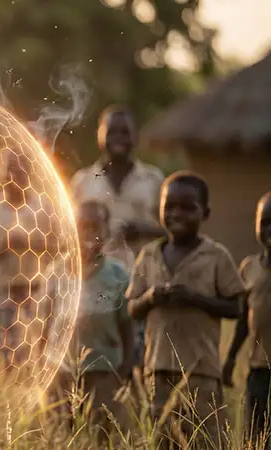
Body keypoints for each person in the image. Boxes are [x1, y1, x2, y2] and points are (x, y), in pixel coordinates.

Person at [126, 171, 244, 448]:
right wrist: (152, 298)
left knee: (204, 440)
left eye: (188, 207)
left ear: (206, 213)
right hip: (157, 370)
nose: (177, 214)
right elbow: (132, 307)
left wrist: (195, 298)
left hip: (201, 370)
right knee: (162, 440)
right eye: (170, 207)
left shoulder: (216, 255)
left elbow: (235, 308)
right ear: (160, 211)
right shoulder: (149, 255)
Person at [69, 105, 166, 368]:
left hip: (143, 279)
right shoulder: (83, 181)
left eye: (126, 131)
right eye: (112, 131)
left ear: (135, 136)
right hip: (98, 284)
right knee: (101, 358)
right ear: (99, 134)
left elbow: (171, 229)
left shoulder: (153, 179)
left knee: (143, 354)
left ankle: (140, 407)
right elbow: (68, 233)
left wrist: (144, 230)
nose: (119, 138)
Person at [47, 201, 133, 438]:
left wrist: (126, 368)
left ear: (106, 232)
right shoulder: (57, 272)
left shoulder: (118, 274)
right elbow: (46, 320)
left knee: (102, 433)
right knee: (62, 431)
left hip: (105, 370)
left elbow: (127, 323)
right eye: (81, 226)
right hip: (62, 370)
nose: (87, 234)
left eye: (95, 227)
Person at [0, 150, 47, 373]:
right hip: (3, 290)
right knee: (1, 350)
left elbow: (58, 248)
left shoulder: (42, 208)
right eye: (10, 168)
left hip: (35, 290)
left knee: (34, 348)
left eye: (21, 168)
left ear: (30, 172)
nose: (15, 174)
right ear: (0, 172)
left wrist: (28, 241)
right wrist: (3, 246)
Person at [223, 191, 271, 448]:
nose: (270, 229)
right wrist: (230, 358)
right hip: (258, 369)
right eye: (265, 222)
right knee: (255, 435)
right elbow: (243, 319)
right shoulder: (249, 268)